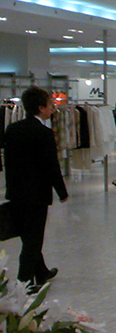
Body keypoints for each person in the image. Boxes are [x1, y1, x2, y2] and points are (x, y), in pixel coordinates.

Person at [4, 86, 68, 292]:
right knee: (33, 240)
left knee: (27, 234)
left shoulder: (12, 129)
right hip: (37, 195)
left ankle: (41, 272)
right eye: (49, 105)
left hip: (16, 192)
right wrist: (62, 192)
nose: (52, 109)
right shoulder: (44, 133)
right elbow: (51, 166)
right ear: (41, 108)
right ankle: (24, 284)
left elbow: (9, 162)